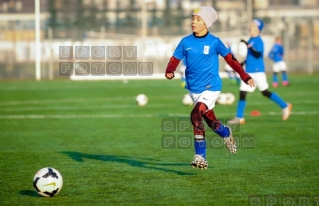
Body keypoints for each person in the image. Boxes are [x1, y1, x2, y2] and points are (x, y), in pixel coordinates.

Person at [164, 6, 255, 170]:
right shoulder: (185, 41)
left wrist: (245, 76)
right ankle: (226, 133)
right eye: (193, 18)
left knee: (195, 114)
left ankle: (201, 156)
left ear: (206, 23)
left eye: (198, 19)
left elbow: (231, 60)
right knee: (211, 122)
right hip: (193, 89)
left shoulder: (215, 42)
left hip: (211, 87)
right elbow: (174, 59)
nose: (193, 22)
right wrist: (169, 70)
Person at [227, 19, 292, 125]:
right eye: (250, 25)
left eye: (253, 26)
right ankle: (239, 117)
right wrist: (242, 63)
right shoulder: (251, 40)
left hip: (257, 71)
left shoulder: (258, 40)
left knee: (265, 92)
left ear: (258, 29)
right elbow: (251, 56)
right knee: (242, 93)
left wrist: (248, 45)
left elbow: (258, 54)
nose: (250, 27)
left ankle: (285, 106)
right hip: (249, 71)